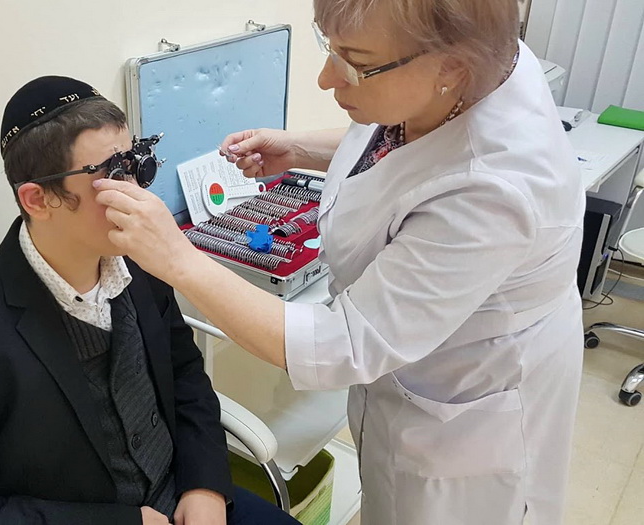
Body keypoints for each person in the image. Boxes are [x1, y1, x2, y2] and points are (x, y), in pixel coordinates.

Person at [93, 1, 586, 524]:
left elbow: (343, 345)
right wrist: (300, 148)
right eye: (330, 48)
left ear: (452, 68)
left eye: (356, 63)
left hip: (468, 418)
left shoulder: (496, 190)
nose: (326, 79)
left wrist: (179, 259)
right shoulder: (474, 67)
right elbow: (415, 143)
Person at [0, 75, 300, 525]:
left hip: (183, 494)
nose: (138, 194)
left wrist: (205, 485)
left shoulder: (142, 261)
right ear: (38, 199)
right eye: (112, 175)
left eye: (136, 163)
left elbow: (185, 376)